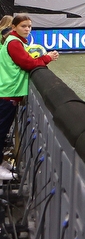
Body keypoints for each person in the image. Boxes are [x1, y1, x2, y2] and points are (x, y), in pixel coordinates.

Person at [0, 14, 58, 181]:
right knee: (1, 130)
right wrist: (48, 58)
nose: (27, 29)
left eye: (29, 26)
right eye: (23, 26)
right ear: (14, 27)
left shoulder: (13, 41)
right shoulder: (14, 43)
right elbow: (27, 63)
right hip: (7, 92)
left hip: (8, 91)